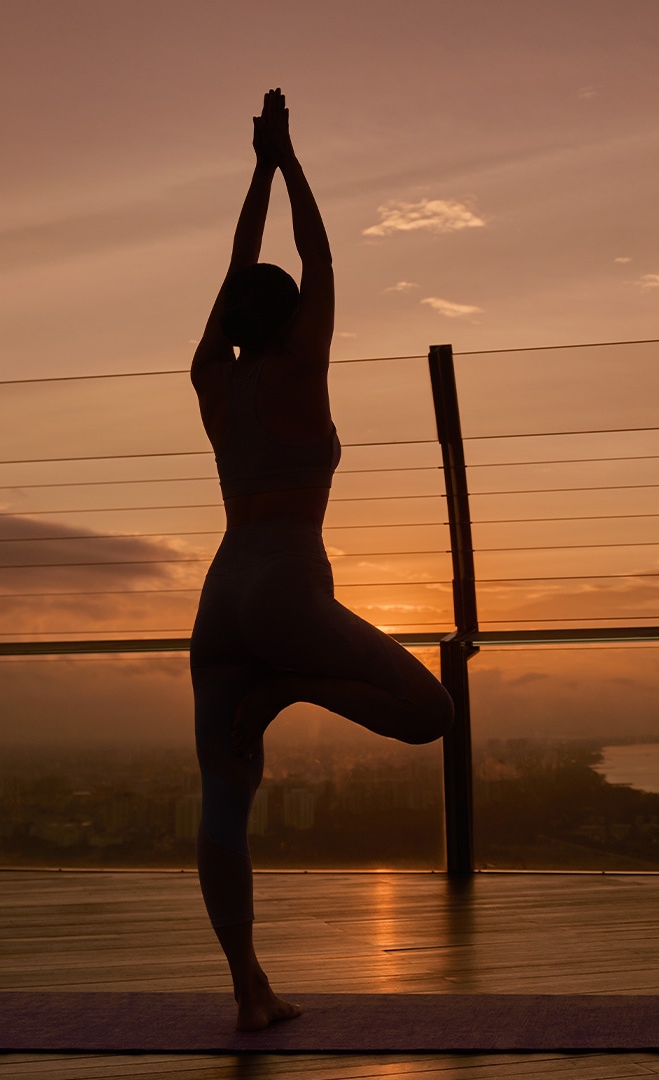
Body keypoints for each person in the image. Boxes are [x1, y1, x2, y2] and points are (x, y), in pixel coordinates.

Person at [189, 88, 455, 1031]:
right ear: (293, 320)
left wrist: (254, 170)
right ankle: (289, 692)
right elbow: (319, 256)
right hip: (288, 584)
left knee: (226, 796)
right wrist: (289, 159)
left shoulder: (210, 380)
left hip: (222, 592)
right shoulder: (303, 366)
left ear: (228, 321)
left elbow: (237, 267)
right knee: (429, 712)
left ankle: (249, 991)